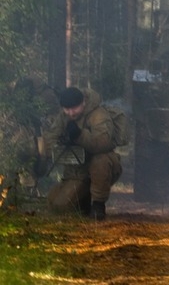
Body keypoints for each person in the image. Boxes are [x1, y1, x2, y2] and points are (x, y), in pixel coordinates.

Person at [43, 87, 123, 220]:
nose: (70, 112)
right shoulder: (64, 117)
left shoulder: (98, 115)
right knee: (57, 206)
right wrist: (58, 146)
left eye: (74, 108)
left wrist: (79, 135)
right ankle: (84, 202)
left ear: (83, 103)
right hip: (78, 169)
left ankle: (98, 205)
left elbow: (102, 143)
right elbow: (51, 137)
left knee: (100, 160)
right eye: (66, 109)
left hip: (102, 167)